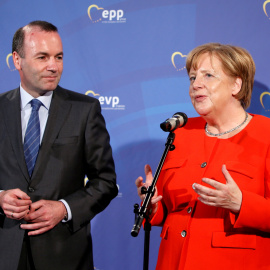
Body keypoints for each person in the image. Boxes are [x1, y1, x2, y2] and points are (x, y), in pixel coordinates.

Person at [135, 43, 270, 269]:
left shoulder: (266, 134)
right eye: (192, 77)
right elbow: (169, 210)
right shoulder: (181, 132)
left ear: (236, 84)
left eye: (208, 75)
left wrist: (241, 204)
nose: (196, 85)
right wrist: (153, 206)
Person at [0, 20, 118, 270]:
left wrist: (64, 209)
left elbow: (105, 182)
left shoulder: (85, 110)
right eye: (42, 57)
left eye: (59, 57)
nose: (53, 66)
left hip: (64, 255)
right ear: (17, 60)